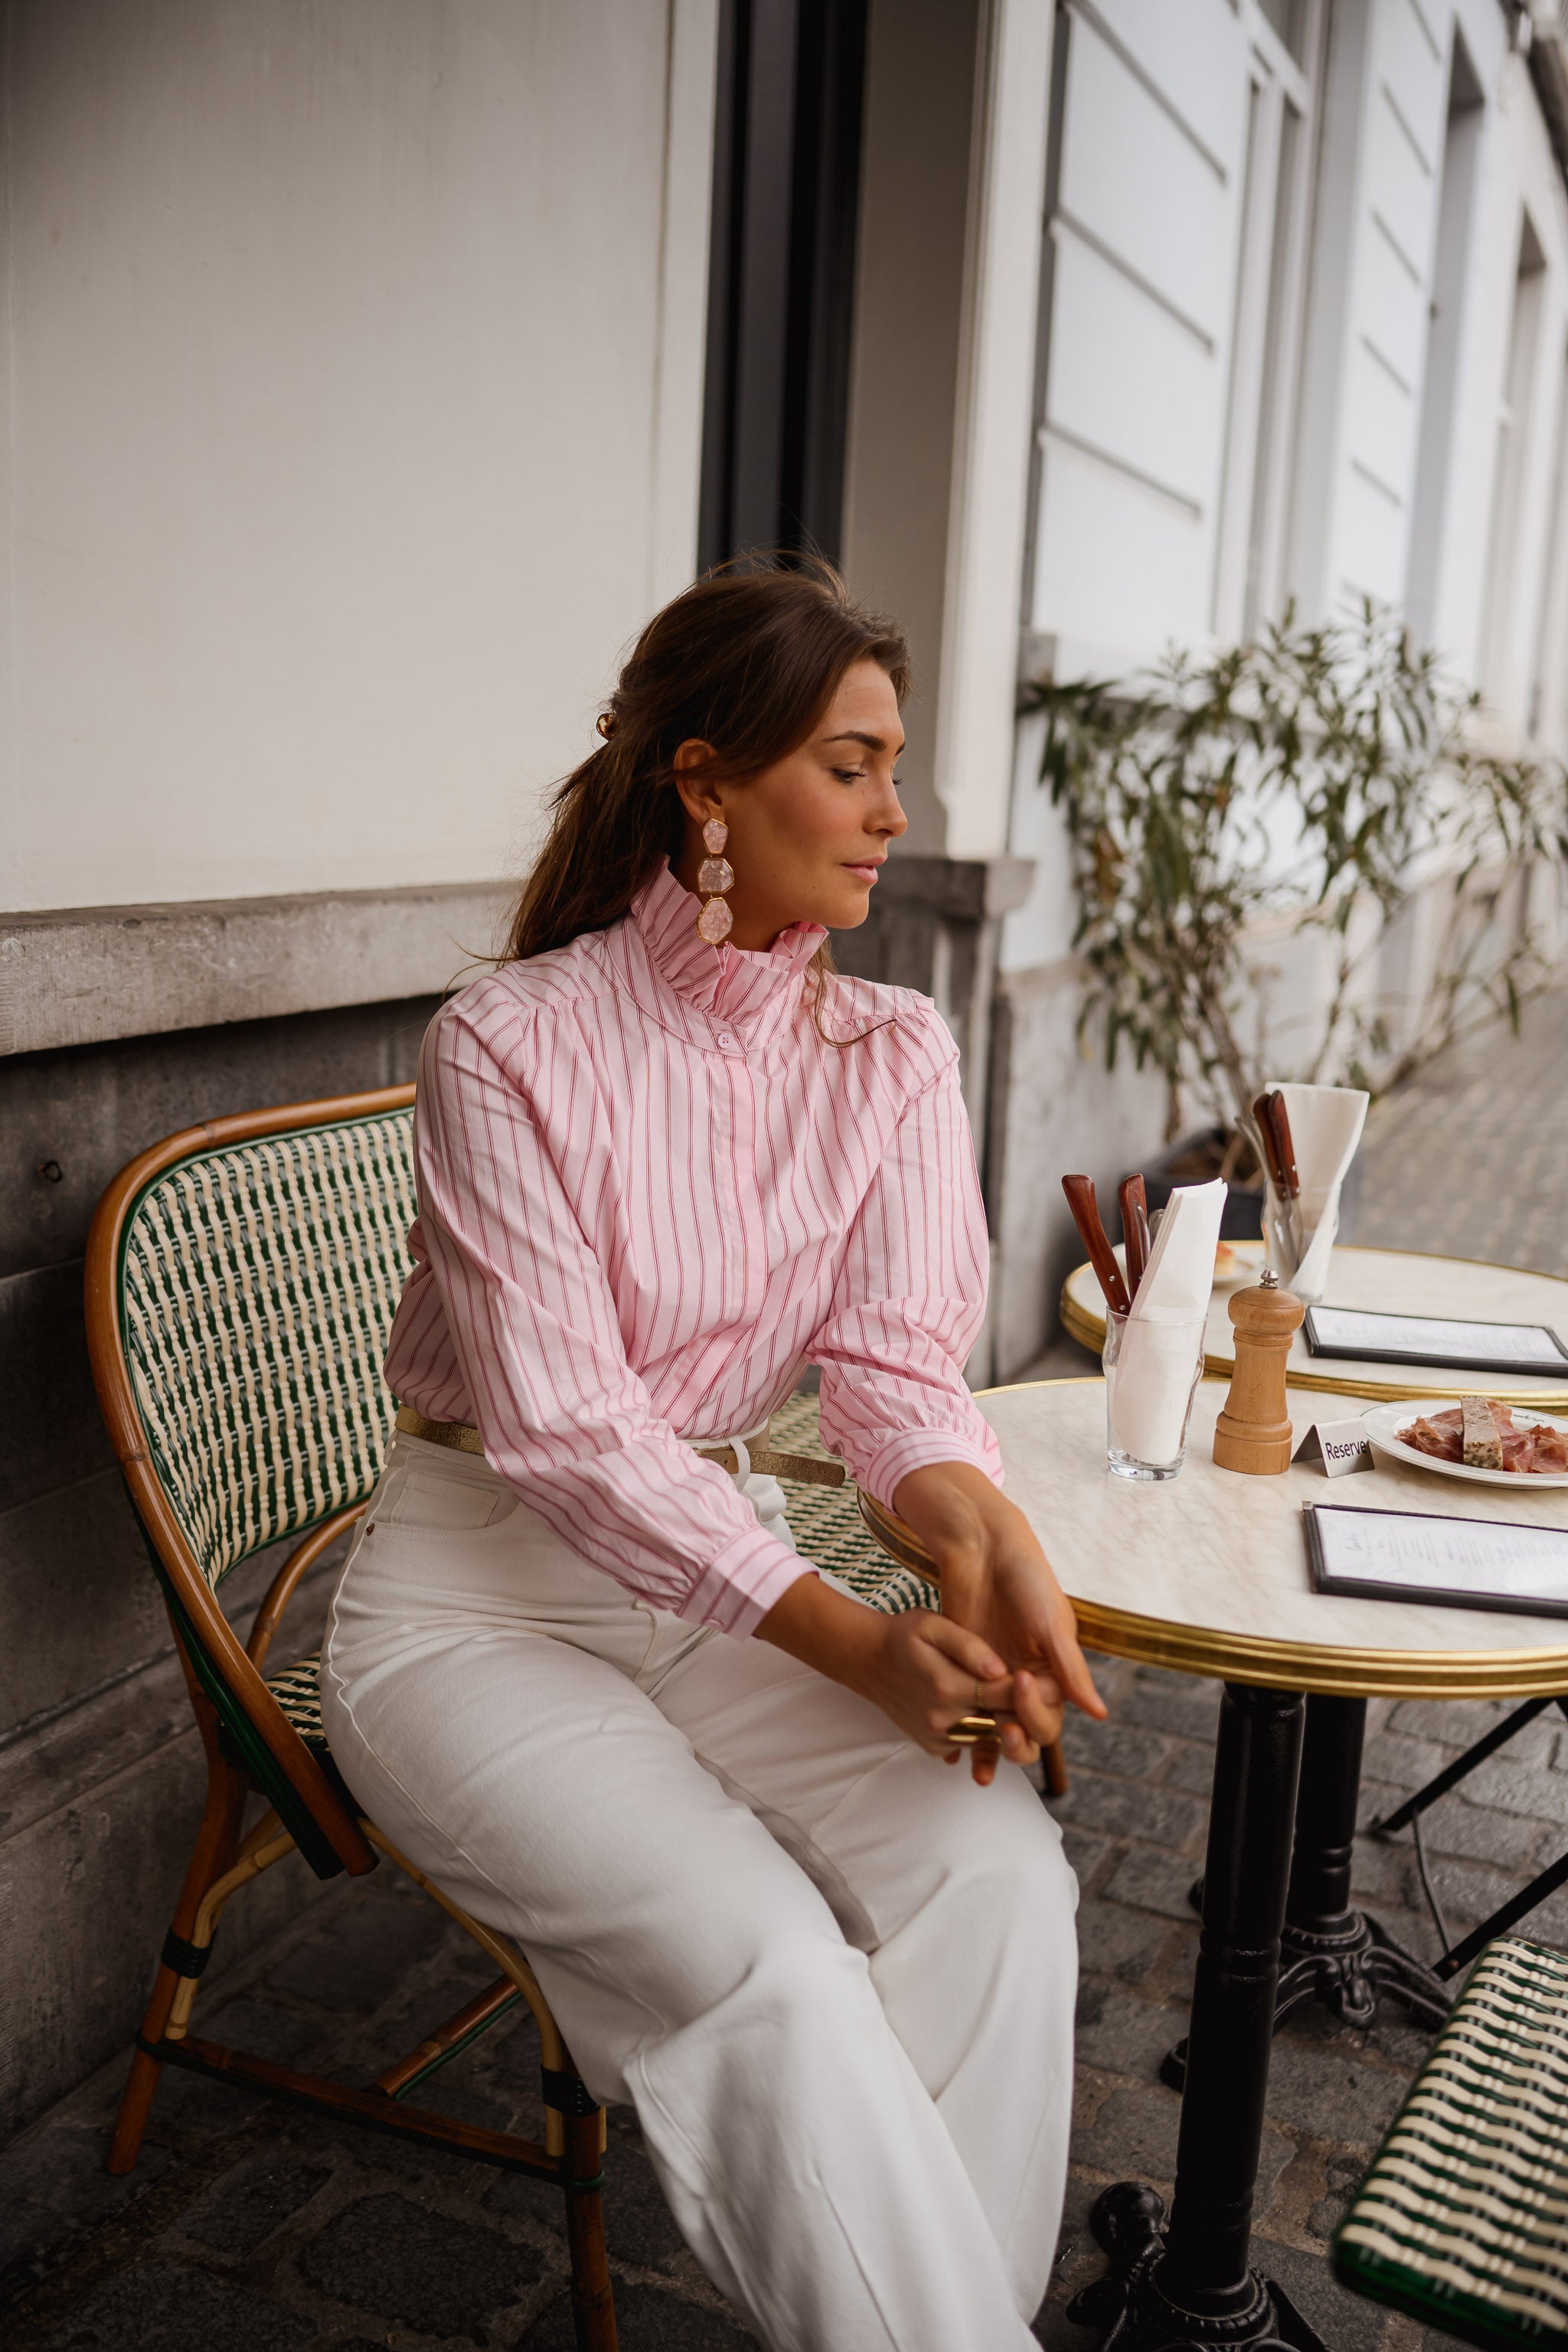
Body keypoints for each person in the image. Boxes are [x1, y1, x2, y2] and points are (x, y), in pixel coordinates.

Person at [321, 559, 1106, 2350]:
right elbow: (571, 1437)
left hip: (718, 1592)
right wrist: (856, 1641)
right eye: (852, 762)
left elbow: (896, 1368)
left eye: (892, 761)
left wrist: (979, 1530)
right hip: (474, 1615)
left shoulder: (892, 1050)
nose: (898, 811)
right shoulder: (508, 1046)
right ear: (706, 784)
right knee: (774, 1977)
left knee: (1004, 1886)